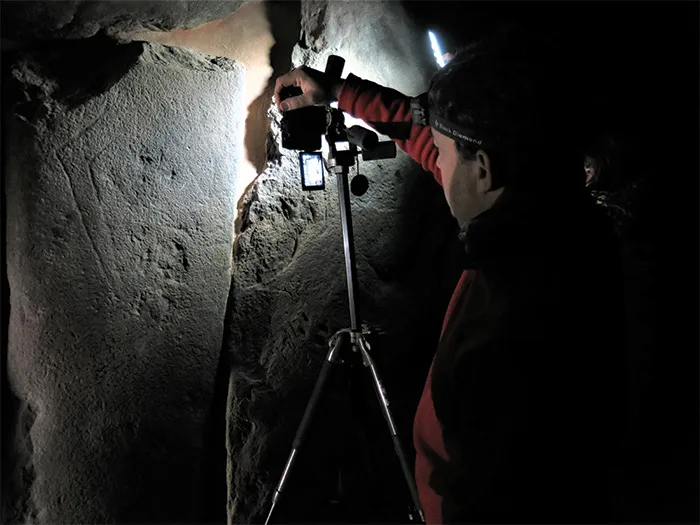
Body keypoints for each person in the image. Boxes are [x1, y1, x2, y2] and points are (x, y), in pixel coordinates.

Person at [274, 32, 626, 524]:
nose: (434, 163)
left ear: (483, 169)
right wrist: (338, 92)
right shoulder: (547, 215)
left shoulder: (511, 324)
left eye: (443, 153)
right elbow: (427, 135)